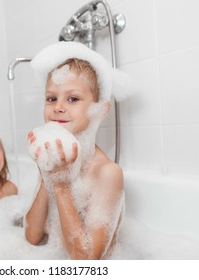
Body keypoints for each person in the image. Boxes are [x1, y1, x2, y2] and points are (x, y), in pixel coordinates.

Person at [24, 42, 131, 260]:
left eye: (72, 98)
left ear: (100, 109)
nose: (58, 107)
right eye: (51, 98)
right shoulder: (55, 156)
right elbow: (32, 236)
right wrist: (48, 174)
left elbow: (87, 262)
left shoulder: (108, 173)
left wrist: (62, 185)